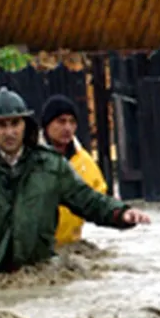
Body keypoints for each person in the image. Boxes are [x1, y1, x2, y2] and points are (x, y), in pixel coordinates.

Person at [0, 86, 151, 284]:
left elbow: (88, 199)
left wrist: (121, 213)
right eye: (1, 124)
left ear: (25, 125)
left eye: (15, 123)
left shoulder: (51, 165)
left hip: (37, 270)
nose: (9, 132)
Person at [38, 94, 111, 247]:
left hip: (71, 245)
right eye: (61, 121)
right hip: (37, 249)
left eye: (72, 122)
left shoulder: (84, 161)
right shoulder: (30, 158)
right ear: (46, 125)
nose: (67, 128)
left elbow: (100, 199)